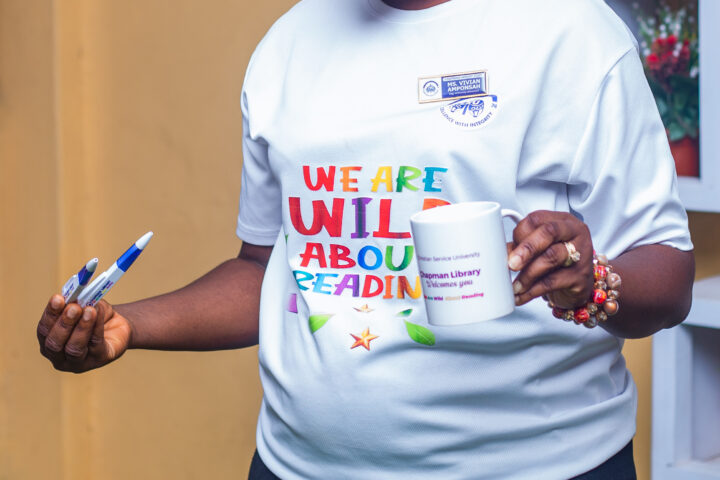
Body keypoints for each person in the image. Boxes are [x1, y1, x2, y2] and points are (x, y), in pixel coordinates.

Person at [37, 0, 695, 478]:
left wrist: (588, 279)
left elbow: (669, 278)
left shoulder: (573, 33)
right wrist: (127, 324)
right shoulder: (287, 47)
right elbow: (268, 270)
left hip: (541, 466)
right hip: (296, 465)